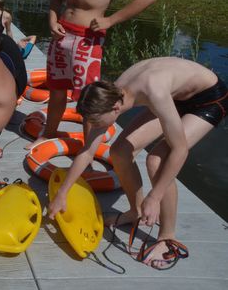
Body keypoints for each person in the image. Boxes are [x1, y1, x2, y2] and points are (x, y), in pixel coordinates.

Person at [48, 57, 227, 269]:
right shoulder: (110, 95)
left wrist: (154, 196)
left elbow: (180, 151)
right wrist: (62, 193)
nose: (93, 126)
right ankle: (135, 212)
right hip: (175, 97)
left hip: (207, 98)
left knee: (156, 160)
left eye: (96, 122)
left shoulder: (154, 91)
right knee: (120, 151)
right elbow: (87, 152)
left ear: (115, 108)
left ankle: (167, 238)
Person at [25, 0, 156, 150]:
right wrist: (52, 21)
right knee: (56, 90)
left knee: (88, 98)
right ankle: (48, 134)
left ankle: (88, 150)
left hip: (87, 40)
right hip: (61, 36)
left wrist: (110, 20)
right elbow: (55, 1)